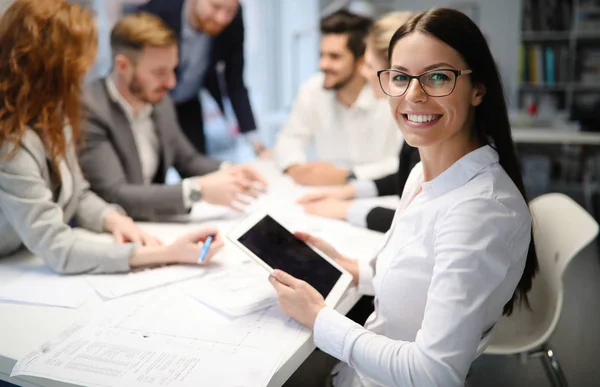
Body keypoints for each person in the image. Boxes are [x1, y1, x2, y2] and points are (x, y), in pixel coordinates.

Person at [269, 8, 539, 386]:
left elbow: (434, 374)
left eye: (438, 77)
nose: (413, 95)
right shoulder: (424, 173)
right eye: (400, 77)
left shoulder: (480, 211)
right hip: (359, 369)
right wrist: (350, 268)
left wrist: (320, 319)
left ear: (478, 88)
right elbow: (416, 282)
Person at [0, 0, 223, 274]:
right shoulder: (9, 142)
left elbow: (78, 193)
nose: (84, 78)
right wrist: (162, 253)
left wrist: (112, 218)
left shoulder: (54, 117)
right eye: (77, 70)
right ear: (50, 74)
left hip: (25, 260)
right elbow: (56, 245)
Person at [79, 12, 266, 221]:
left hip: (151, 226)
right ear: (123, 66)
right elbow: (115, 194)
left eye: (173, 70)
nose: (171, 83)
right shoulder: (90, 108)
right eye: (159, 73)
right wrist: (197, 191)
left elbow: (187, 159)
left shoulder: (160, 101)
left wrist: (230, 171)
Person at [298, 11, 419, 233]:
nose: (363, 72)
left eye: (370, 66)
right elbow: (407, 177)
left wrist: (345, 209)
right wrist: (349, 191)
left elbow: (420, 222)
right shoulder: (416, 121)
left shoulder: (425, 126)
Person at [273, 10, 403, 186]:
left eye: (334, 57)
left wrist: (349, 175)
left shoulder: (388, 95)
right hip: (324, 191)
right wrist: (295, 167)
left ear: (361, 61)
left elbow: (405, 161)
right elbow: (290, 138)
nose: (323, 64)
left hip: (380, 192)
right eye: (322, 55)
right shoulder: (313, 89)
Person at [138, 0, 268, 157]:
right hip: (147, 105)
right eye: (215, 7)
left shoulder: (233, 21)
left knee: (196, 161)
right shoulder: (156, 12)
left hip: (189, 102)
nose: (222, 18)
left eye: (230, 11)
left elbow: (235, 82)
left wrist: (257, 144)